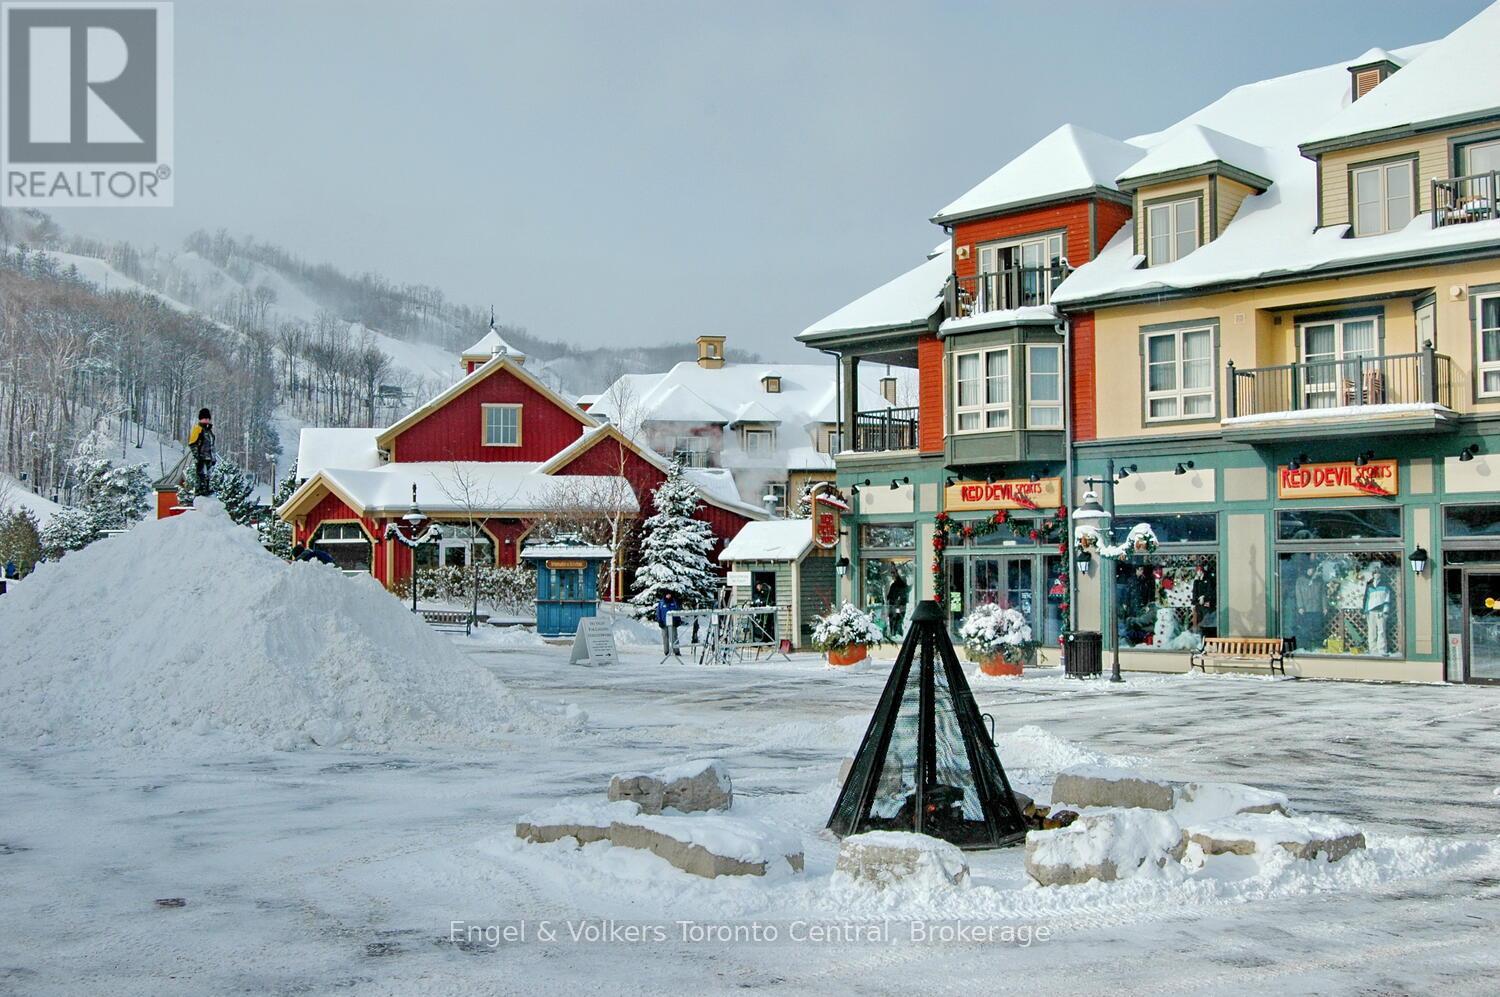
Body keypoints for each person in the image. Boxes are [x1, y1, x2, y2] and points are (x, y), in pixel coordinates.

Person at [187, 408, 216, 495]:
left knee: (208, 475)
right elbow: (192, 443)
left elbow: (212, 445)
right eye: (205, 418)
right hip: (202, 457)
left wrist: (213, 457)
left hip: (209, 458)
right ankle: (201, 491)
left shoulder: (209, 431)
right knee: (201, 475)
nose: (207, 420)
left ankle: (207, 489)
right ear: (200, 419)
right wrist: (197, 456)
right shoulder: (198, 429)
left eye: (208, 418)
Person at [655, 590, 681, 657]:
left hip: (673, 623)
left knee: (674, 637)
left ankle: (676, 651)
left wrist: (678, 620)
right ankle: (666, 651)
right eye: (667, 594)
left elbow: (677, 611)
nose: (668, 596)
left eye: (669, 594)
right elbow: (658, 612)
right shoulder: (661, 603)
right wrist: (659, 621)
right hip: (664, 623)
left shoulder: (674, 602)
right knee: (665, 637)